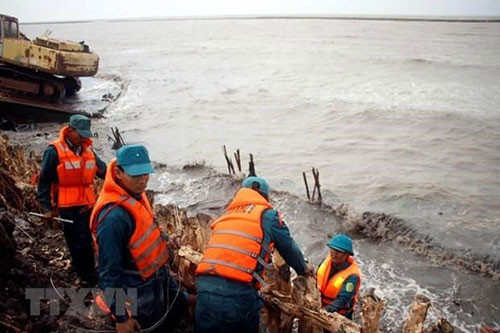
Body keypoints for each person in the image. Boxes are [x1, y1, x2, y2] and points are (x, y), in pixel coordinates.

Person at [195, 176, 313, 333]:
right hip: (237, 297)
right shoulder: (268, 216)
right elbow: (289, 248)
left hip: (203, 291)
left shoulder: (227, 215)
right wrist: (303, 270)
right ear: (265, 197)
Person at [89, 144, 187, 333]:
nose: (143, 181)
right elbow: (109, 273)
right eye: (136, 176)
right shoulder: (113, 218)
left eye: (146, 174)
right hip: (136, 289)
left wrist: (166, 240)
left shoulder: (134, 194)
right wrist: (121, 318)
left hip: (157, 276)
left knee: (174, 312)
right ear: (118, 173)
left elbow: (147, 228)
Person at [37, 114, 106, 285]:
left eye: (85, 135)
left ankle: (90, 271)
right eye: (80, 134)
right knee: (78, 241)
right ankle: (87, 276)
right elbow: (44, 181)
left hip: (88, 203)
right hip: (68, 205)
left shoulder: (88, 150)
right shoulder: (53, 151)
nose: (83, 138)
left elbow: (104, 172)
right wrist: (46, 208)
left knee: (92, 239)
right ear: (70, 130)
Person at [316, 234, 361, 320]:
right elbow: (315, 278)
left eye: (338, 251)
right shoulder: (326, 261)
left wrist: (324, 311)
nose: (334, 254)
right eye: (332, 250)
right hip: (320, 306)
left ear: (347, 254)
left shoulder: (352, 277)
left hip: (338, 316)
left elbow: (343, 300)